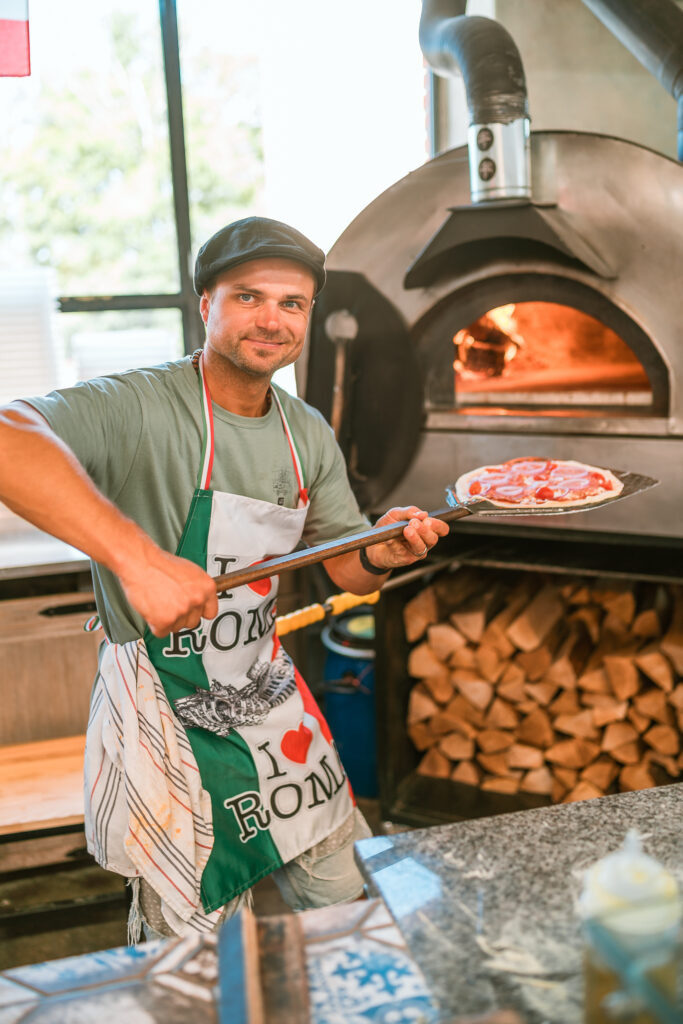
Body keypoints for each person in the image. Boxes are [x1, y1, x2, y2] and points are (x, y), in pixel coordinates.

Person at [0, 216, 449, 939]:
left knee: (347, 909)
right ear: (205, 303)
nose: (272, 319)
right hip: (165, 711)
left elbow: (346, 567)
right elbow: (8, 437)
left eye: (291, 303)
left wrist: (381, 553)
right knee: (196, 955)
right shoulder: (141, 407)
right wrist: (140, 560)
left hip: (269, 699)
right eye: (248, 297)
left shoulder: (305, 431)